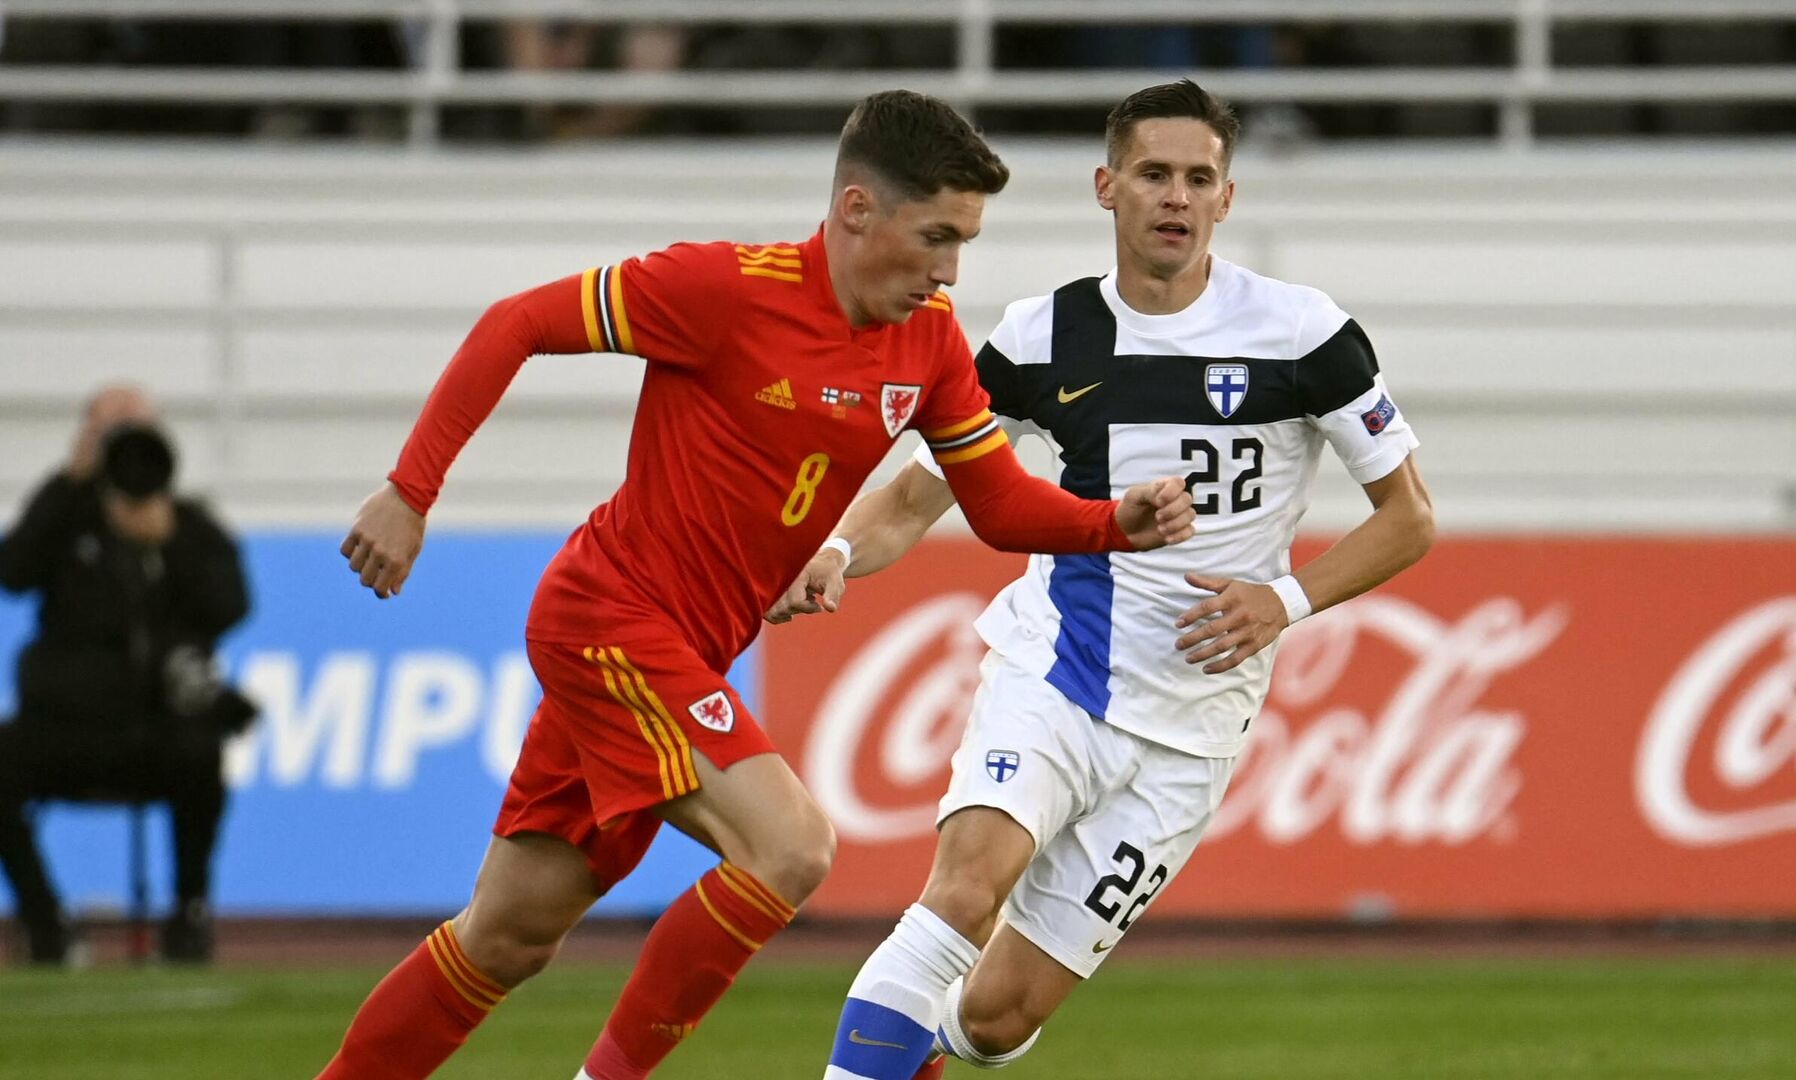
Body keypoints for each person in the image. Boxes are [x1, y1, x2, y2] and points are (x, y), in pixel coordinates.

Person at [315, 89, 1196, 1080]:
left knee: (507, 937)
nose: (950, 270)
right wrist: (409, 489)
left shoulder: (932, 342)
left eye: (966, 243)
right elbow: (517, 322)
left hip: (674, 653)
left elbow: (994, 503)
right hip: (608, 618)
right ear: (858, 211)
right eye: (937, 237)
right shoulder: (724, 289)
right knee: (792, 848)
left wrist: (1106, 524)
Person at [776, 80, 1434, 1080]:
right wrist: (829, 553)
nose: (1176, 197)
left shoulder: (1303, 334)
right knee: (962, 892)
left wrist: (1284, 600)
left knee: (996, 1019)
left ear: (1227, 197)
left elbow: (1409, 517)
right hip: (1060, 672)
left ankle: (921, 1047)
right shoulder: (1046, 337)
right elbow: (918, 496)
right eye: (1154, 174)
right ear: (1107, 187)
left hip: (1193, 729)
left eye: (1198, 178)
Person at [0, 385, 254, 966]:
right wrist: (67, 484)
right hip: (67, 729)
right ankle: (46, 925)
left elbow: (232, 605)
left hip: (158, 730)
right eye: (109, 430)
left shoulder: (187, 525)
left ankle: (189, 916)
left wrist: (168, 544)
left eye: (137, 428)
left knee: (202, 755)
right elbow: (11, 572)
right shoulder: (64, 519)